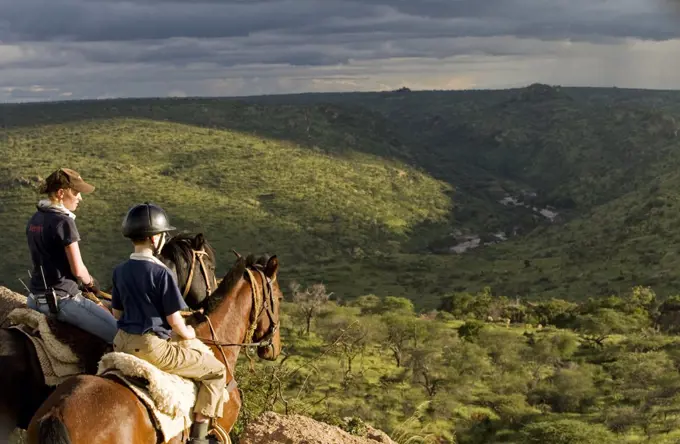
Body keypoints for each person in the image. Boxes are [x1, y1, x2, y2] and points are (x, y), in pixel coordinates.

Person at [110, 202, 227, 444]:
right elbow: (175, 322)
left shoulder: (120, 270)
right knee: (217, 371)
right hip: (152, 348)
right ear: (155, 240)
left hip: (120, 342)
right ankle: (199, 438)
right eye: (162, 235)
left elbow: (117, 315)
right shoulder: (161, 273)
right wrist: (189, 333)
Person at [25, 167, 118, 344]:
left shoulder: (35, 219)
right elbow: (78, 270)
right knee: (120, 337)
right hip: (62, 301)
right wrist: (92, 283)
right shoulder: (64, 222)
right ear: (61, 193)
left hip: (34, 299)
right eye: (76, 192)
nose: (80, 198)